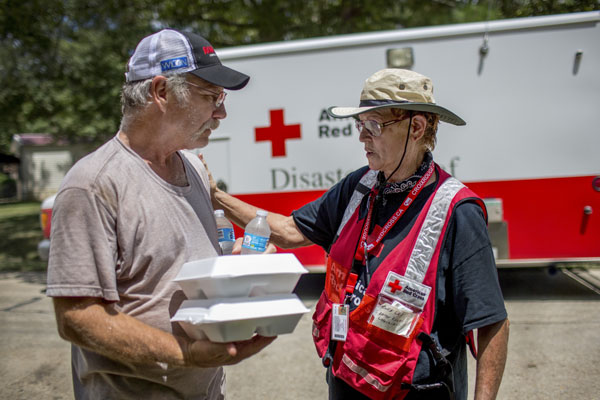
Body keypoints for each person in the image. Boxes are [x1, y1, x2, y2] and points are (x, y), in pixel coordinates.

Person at [209, 69, 509, 399]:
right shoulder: (360, 185)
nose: (362, 137)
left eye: (374, 126)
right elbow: (290, 231)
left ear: (417, 127)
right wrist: (216, 196)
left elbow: (491, 322)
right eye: (360, 125)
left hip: (417, 390)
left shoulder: (456, 209)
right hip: (347, 379)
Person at [45, 29, 275, 399]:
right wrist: (186, 354)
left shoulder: (195, 170)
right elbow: (76, 318)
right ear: (161, 92)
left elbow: (178, 268)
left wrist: (237, 270)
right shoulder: (93, 184)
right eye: (210, 96)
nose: (222, 111)